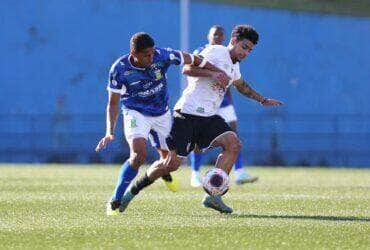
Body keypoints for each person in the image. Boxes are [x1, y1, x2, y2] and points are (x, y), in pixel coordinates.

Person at [119, 25, 283, 214]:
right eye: (244, 47)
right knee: (171, 165)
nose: (246, 52)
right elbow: (187, 69)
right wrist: (213, 73)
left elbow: (241, 86)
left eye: (250, 50)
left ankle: (213, 196)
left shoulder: (234, 66)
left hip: (208, 118)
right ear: (233, 42)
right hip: (186, 115)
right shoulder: (215, 51)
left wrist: (262, 100)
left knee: (234, 144)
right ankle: (132, 191)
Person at [95, 32, 228, 216]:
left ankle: (164, 172)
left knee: (170, 161)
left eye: (152, 53)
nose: (151, 58)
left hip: (162, 113)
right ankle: (116, 199)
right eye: (146, 55)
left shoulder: (163, 55)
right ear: (133, 54)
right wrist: (109, 131)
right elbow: (113, 103)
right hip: (136, 112)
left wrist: (216, 72)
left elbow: (193, 59)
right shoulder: (119, 69)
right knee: (138, 155)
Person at [189, 25, 258, 187]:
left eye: (220, 36)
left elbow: (232, 80)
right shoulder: (202, 51)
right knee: (196, 139)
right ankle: (195, 173)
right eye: (215, 35)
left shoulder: (230, 55)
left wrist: (231, 103)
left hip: (224, 101)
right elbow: (191, 72)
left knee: (234, 133)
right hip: (205, 100)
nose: (217, 38)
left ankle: (239, 172)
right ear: (209, 36)